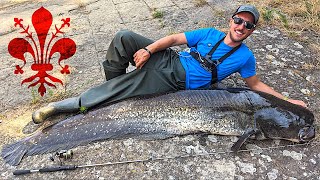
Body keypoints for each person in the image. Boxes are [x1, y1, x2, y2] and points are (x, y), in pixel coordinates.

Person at [32, 4, 307, 124]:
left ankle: (61, 107)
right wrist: (149, 50)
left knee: (117, 88)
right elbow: (175, 38)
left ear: (252, 30)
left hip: (175, 81)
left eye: (248, 25)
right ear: (231, 20)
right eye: (238, 20)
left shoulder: (245, 57)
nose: (241, 26)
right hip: (170, 59)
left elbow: (256, 84)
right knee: (124, 37)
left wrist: (288, 102)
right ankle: (114, 89)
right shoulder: (210, 33)